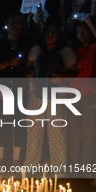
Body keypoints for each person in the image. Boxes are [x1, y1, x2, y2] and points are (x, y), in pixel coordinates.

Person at [23, 17, 76, 169]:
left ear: (59, 34)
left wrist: (63, 77)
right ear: (43, 34)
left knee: (57, 131)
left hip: (57, 95)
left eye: (54, 32)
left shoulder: (66, 52)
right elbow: (28, 68)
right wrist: (29, 75)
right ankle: (30, 167)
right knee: (33, 131)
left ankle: (59, 169)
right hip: (36, 93)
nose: (50, 35)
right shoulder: (36, 51)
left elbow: (75, 72)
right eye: (47, 32)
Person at [0, 11, 31, 166]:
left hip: (21, 90)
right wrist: (7, 63)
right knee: (2, 123)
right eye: (12, 21)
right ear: (7, 24)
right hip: (2, 91)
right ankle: (0, 159)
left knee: (19, 123)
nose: (15, 24)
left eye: (19, 22)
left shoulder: (26, 44)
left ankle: (16, 160)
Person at [68, 17, 96, 164]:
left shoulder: (94, 48)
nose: (81, 35)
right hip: (74, 95)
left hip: (91, 95)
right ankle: (75, 164)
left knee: (90, 131)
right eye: (78, 32)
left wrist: (88, 21)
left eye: (84, 32)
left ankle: (86, 164)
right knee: (75, 131)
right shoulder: (74, 50)